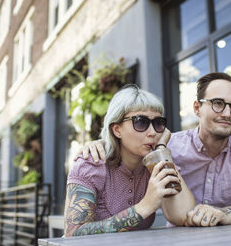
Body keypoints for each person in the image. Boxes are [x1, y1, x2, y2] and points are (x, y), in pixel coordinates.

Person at [79, 72, 231, 227]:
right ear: (197, 108)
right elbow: (127, 143)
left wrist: (227, 214)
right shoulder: (165, 144)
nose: (227, 113)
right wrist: (103, 144)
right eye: (217, 103)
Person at [64, 84, 195, 237]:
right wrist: (144, 207)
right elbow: (74, 232)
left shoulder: (155, 165)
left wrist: (160, 150)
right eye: (141, 122)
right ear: (117, 130)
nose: (152, 132)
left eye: (158, 123)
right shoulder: (92, 163)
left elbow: (183, 214)